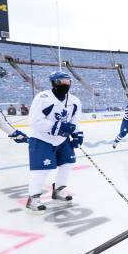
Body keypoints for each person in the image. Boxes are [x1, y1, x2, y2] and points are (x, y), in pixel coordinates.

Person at [26, 72, 83, 213]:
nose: (65, 84)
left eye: (67, 81)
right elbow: (35, 121)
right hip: (42, 139)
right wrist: (57, 127)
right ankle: (33, 198)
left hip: (62, 140)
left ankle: (58, 190)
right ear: (53, 83)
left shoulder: (75, 100)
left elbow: (75, 120)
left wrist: (77, 134)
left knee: (68, 164)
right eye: (61, 81)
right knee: (42, 169)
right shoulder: (42, 98)